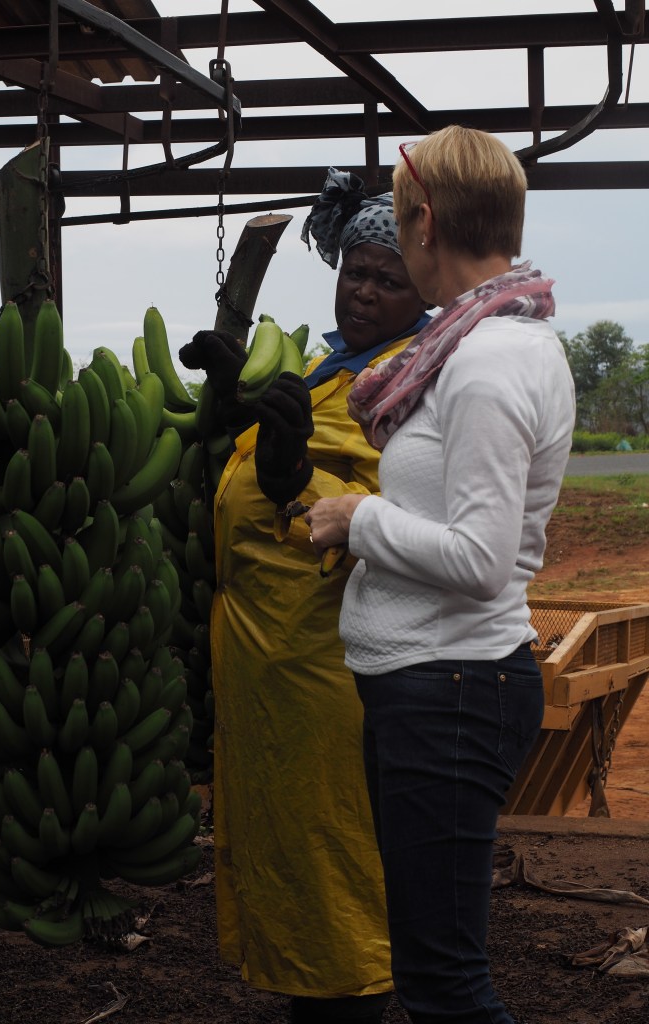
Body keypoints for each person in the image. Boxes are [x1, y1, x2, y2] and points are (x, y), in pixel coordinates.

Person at [303, 127, 576, 1023]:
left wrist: (358, 518)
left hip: (451, 688)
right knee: (433, 972)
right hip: (432, 683)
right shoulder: (483, 342)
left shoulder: (489, 362)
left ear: (424, 222)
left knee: (444, 984)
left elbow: (480, 559)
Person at [178, 168, 431, 1024]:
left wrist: (293, 481)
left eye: (388, 279)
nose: (365, 291)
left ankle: (349, 1002)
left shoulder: (412, 379)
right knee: (285, 844)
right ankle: (309, 998)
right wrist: (237, 404)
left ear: (424, 290)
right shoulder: (330, 360)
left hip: (328, 657)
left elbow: (392, 506)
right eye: (356, 271)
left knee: (332, 849)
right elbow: (288, 437)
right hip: (267, 659)